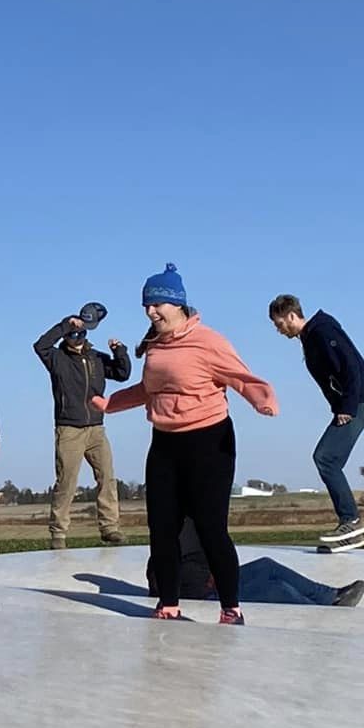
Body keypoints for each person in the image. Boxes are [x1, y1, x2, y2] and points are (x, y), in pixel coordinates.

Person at [96, 264, 279, 627]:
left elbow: (241, 377)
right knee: (163, 528)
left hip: (209, 442)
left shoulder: (208, 341)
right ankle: (168, 605)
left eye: (157, 304)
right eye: (146, 306)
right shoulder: (155, 346)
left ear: (177, 304)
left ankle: (231, 608)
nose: (150, 312)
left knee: (211, 528)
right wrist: (110, 403)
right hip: (164, 443)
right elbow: (150, 389)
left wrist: (263, 399)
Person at [269, 295, 364, 548]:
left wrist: (347, 406)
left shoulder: (322, 331)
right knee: (330, 461)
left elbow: (350, 365)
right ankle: (351, 533)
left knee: (325, 458)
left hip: (359, 403)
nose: (279, 330)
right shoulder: (311, 336)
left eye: (279, 324)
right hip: (354, 404)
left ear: (292, 316)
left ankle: (351, 521)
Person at [34, 303, 131, 548]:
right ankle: (58, 533)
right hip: (69, 429)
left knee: (107, 477)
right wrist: (64, 324)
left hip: (96, 428)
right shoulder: (56, 358)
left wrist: (120, 351)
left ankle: (110, 528)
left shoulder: (96, 357)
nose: (76, 338)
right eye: (72, 334)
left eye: (80, 334)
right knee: (67, 481)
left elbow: (122, 374)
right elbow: (40, 345)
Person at [147, 518, 364, 609]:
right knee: (276, 588)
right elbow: (159, 574)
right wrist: (206, 581)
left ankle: (330, 596)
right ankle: (320, 612)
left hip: (215, 581)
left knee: (266, 565)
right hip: (204, 594)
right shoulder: (172, 525)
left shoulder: (196, 519)